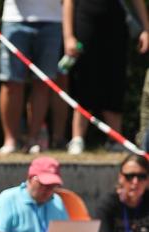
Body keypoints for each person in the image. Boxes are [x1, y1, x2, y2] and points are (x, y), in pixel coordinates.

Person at [62, 0, 149, 155]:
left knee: (115, 79)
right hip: (85, 20)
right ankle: (77, 138)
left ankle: (115, 139)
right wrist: (68, 37)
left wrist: (146, 29)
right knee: (84, 78)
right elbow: (69, 2)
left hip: (116, 23)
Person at [0, 0, 63, 154]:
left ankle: (33, 139)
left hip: (52, 20)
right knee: (12, 82)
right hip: (15, 20)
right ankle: (10, 141)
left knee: (43, 83)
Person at [0, 156, 69, 232]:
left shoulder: (57, 201)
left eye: (53, 185)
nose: (49, 190)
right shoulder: (8, 198)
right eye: (44, 184)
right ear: (30, 178)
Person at [96, 154, 149, 232]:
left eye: (141, 177)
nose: (135, 182)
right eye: (129, 176)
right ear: (121, 178)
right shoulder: (108, 203)